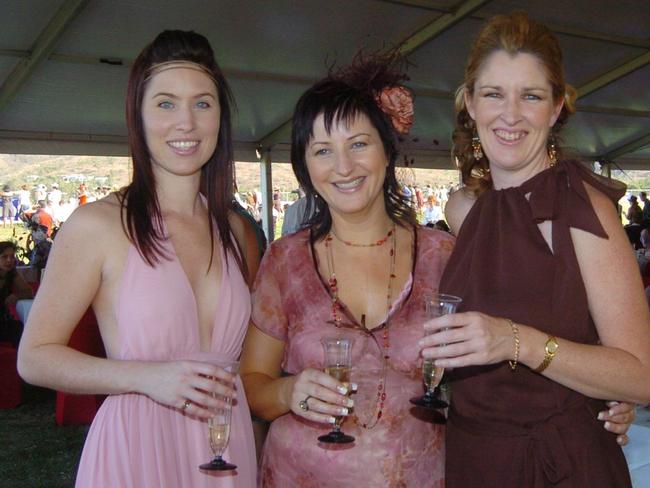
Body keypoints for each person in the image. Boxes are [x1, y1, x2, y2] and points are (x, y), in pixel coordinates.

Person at [18, 30, 258, 487]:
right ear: (138, 116)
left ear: (220, 118)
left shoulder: (236, 231)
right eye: (165, 103)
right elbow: (35, 358)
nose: (185, 122)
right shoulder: (98, 225)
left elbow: (248, 362)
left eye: (202, 103)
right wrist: (148, 378)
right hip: (138, 449)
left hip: (227, 447)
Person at [420, 12, 648, 487]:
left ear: (557, 106)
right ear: (469, 103)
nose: (510, 114)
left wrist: (513, 341)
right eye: (493, 94)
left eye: (531, 96)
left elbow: (639, 374)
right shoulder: (465, 209)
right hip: (475, 459)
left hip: (557, 467)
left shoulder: (583, 208)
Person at [240, 53, 451, 487]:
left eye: (358, 144)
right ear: (306, 168)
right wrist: (286, 391)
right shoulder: (285, 262)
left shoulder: (443, 255)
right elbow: (251, 386)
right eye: (322, 151)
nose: (343, 166)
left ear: (387, 150)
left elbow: (497, 367)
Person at [0, 241, 34, 347]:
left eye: (12, 256)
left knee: (21, 329)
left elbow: (29, 292)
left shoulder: (11, 273)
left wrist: (16, 296)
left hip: (3, 319)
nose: (9, 260)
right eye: (4, 257)